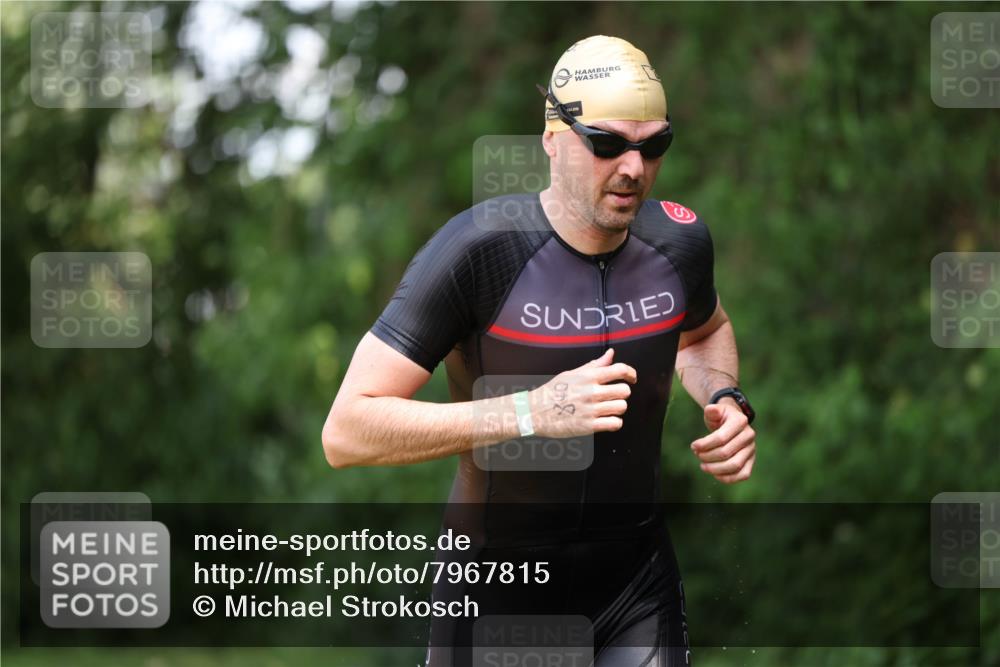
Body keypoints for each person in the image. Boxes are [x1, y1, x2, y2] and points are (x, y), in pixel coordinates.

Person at [322, 35, 757, 667]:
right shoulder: (479, 251)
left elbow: (706, 332)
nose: (633, 168)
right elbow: (348, 431)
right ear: (552, 135)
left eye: (653, 144)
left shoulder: (679, 244)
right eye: (607, 144)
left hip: (635, 584)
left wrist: (722, 394)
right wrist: (532, 412)